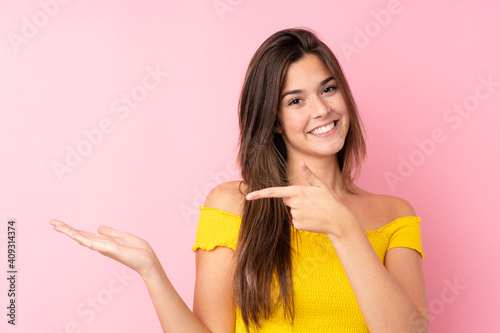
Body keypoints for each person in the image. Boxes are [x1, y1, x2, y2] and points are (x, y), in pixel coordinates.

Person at [51, 28, 428, 332]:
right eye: (295, 101)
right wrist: (152, 271)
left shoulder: (394, 214)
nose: (322, 109)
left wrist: (344, 229)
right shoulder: (234, 205)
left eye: (328, 89)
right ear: (274, 121)